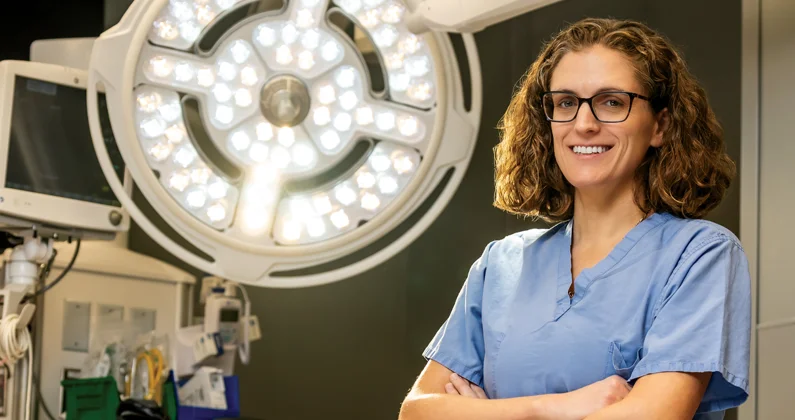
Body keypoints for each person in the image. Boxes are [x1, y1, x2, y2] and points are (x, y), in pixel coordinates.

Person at [398, 18, 750, 420]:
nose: (584, 124)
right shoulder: (501, 265)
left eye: (612, 102)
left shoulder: (700, 255)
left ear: (660, 126)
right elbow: (418, 412)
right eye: (566, 103)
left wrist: (489, 413)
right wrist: (557, 408)